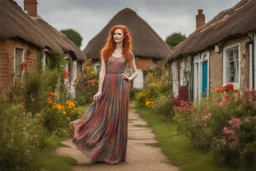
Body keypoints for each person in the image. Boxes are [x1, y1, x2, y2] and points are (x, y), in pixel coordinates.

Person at [69, 24, 138, 165]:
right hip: (107, 85)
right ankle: (95, 148)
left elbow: (135, 71)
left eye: (119, 34)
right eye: (114, 34)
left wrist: (129, 78)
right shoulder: (105, 51)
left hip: (121, 87)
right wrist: (99, 90)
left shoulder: (128, 53)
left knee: (117, 119)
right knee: (102, 116)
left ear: (124, 36)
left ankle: (115, 153)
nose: (116, 36)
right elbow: (102, 71)